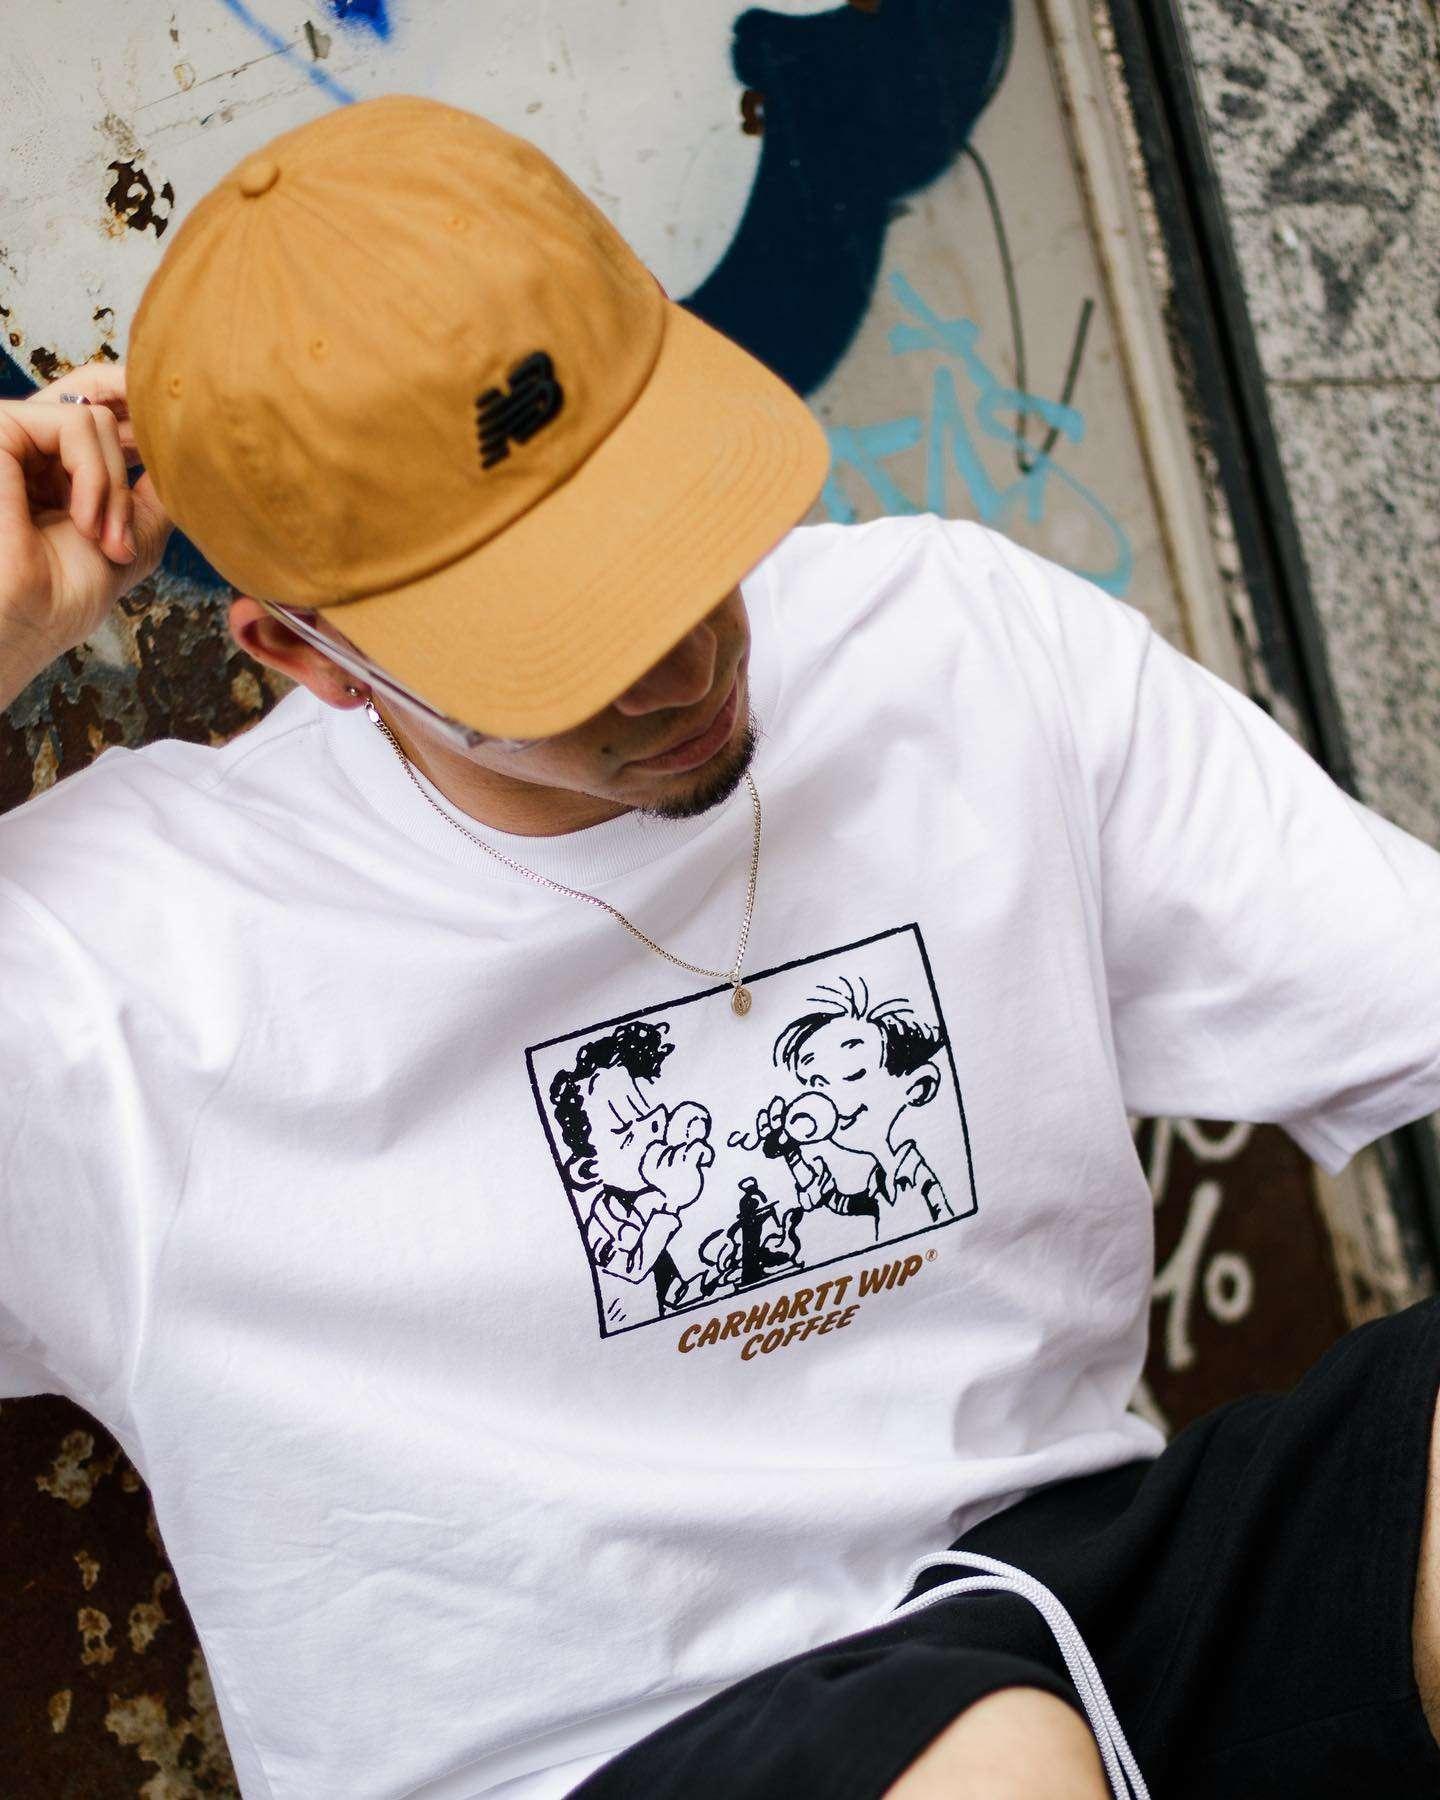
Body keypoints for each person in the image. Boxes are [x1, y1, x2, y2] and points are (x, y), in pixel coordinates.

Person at [0, 92, 1437, 1800]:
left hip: (1065, 1600)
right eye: (557, 641)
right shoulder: (114, 969)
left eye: (674, 539)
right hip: (610, 1753)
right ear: (308, 656)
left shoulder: (949, 644)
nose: (687, 666)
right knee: (989, 1760)